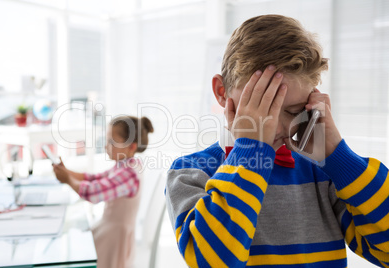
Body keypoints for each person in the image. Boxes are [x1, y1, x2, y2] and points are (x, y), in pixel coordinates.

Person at [165, 14, 389, 267]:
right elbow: (213, 261)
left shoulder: (323, 174)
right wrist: (250, 153)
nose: (275, 127)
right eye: (262, 108)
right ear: (221, 92)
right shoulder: (189, 172)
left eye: (294, 112)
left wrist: (338, 156)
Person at [53, 115, 154, 268]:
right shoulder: (126, 164)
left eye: (111, 142)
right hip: (108, 229)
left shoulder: (129, 173)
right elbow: (94, 178)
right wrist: (67, 172)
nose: (106, 146)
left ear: (131, 147)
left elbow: (93, 193)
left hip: (115, 239)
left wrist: (68, 179)